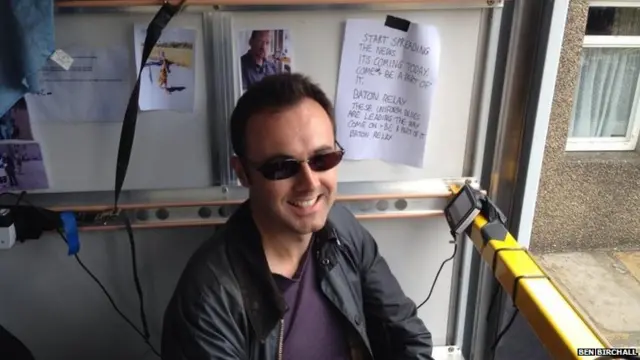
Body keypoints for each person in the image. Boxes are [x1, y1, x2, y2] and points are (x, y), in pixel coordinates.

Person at [161, 73, 434, 360]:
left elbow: (408, 336)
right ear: (243, 173)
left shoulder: (342, 228)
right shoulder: (208, 301)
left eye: (322, 160)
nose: (310, 183)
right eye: (281, 166)